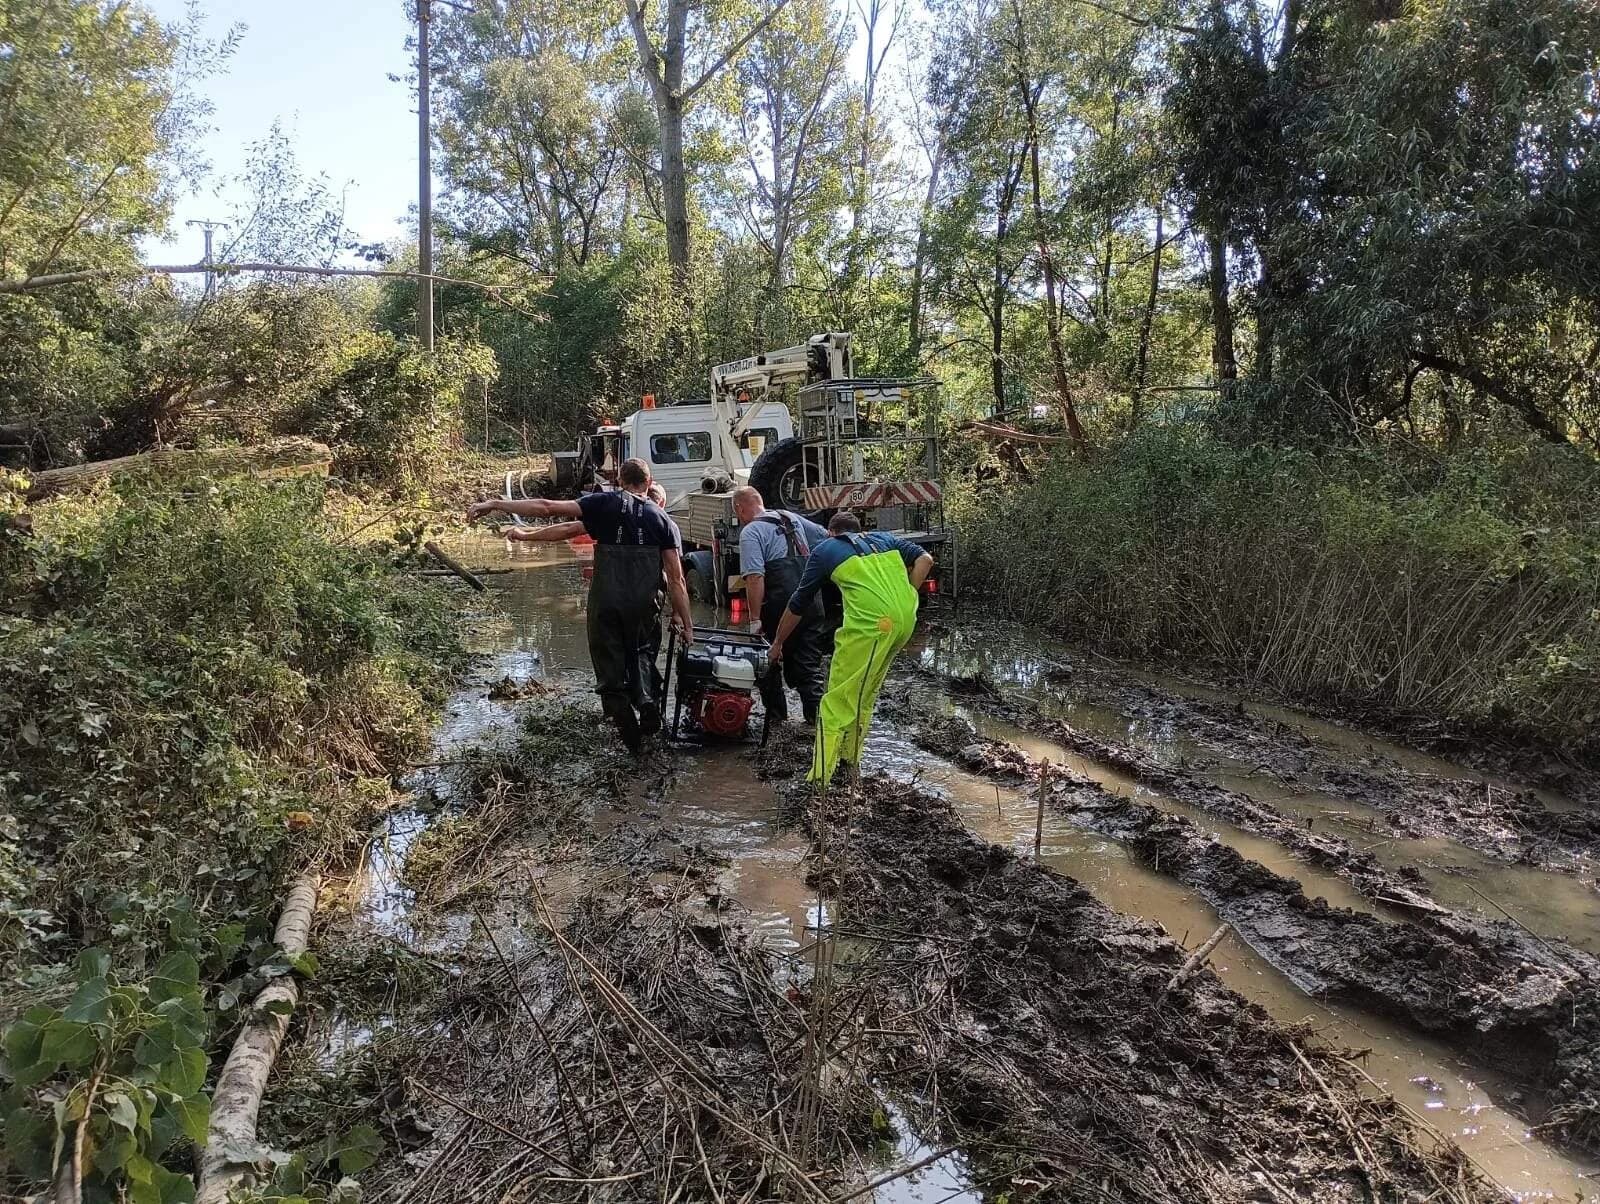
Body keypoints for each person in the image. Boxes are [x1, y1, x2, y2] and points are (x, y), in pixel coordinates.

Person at [467, 459, 692, 752]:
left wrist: (498, 504)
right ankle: (646, 700)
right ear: (648, 484)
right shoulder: (664, 521)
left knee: (610, 669)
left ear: (620, 481)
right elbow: (676, 580)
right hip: (644, 604)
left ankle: (631, 741)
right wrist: (686, 623)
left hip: (606, 601)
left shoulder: (604, 504)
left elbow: (548, 509)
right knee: (642, 653)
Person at [769, 512, 932, 783]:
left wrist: (777, 643)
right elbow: (925, 560)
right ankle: (849, 762)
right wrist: (910, 595)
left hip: (872, 625)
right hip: (905, 620)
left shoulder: (825, 549)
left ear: (832, 533)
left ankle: (819, 779)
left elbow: (799, 603)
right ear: (860, 530)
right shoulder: (883, 538)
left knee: (835, 701)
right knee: (864, 694)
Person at [732, 486, 826, 726]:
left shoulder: (751, 532)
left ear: (740, 509)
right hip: (811, 601)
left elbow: (755, 577)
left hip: (779, 603)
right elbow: (825, 537)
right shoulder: (789, 516)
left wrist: (755, 620)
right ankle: (817, 723)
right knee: (808, 663)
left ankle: (776, 720)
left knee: (766, 659)